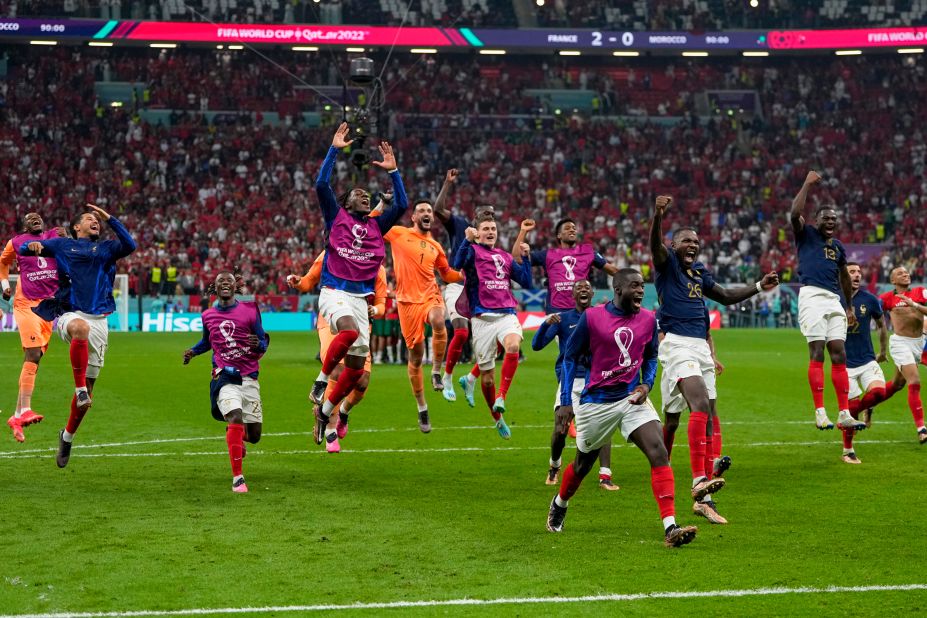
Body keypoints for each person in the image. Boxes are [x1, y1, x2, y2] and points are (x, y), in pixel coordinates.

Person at [545, 268, 697, 548]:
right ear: (618, 289)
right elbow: (569, 357)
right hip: (597, 402)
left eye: (643, 285)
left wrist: (646, 385)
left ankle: (670, 527)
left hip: (631, 398)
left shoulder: (649, 319)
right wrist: (566, 400)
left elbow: (651, 356)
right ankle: (560, 502)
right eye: (635, 286)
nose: (641, 290)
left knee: (658, 451)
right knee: (582, 465)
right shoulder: (593, 318)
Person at [650, 194, 779, 511]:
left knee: (676, 418)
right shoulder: (667, 265)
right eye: (685, 241)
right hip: (676, 343)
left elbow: (725, 295)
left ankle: (685, 473)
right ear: (673, 245)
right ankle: (698, 483)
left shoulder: (700, 272)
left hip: (700, 346)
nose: (692, 245)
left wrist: (759, 286)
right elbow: (655, 246)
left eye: (695, 241)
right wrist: (658, 217)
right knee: (700, 404)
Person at [309, 123, 408, 442]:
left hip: (359, 299)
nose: (365, 196)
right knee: (348, 331)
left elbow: (402, 206)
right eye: (359, 194)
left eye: (367, 195)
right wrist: (334, 149)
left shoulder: (377, 227)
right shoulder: (336, 216)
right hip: (333, 292)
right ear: (347, 203)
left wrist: (394, 171)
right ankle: (321, 381)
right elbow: (321, 183)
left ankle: (325, 412)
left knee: (356, 372)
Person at [18, 203, 137, 467]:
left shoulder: (106, 249)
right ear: (76, 227)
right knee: (79, 328)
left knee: (86, 401)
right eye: (89, 218)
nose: (95, 220)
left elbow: (130, 245)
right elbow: (23, 248)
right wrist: (32, 247)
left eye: (97, 219)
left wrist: (111, 219)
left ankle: (67, 436)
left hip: (100, 322)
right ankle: (80, 388)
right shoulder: (62, 245)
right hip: (69, 312)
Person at [288, 251, 387, 452]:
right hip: (332, 318)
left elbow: (381, 304)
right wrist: (299, 282)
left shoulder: (376, 263)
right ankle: (330, 429)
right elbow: (308, 282)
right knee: (337, 371)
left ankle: (342, 412)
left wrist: (374, 311)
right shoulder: (330, 252)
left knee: (362, 381)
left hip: (361, 321)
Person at [789, 171, 863, 432]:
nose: (830, 222)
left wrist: (849, 305)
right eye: (826, 218)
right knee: (818, 351)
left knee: (840, 353)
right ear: (816, 220)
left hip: (834, 300)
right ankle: (820, 411)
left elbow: (844, 275)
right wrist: (807, 184)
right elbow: (794, 213)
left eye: (834, 219)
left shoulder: (838, 247)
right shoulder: (806, 234)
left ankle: (844, 412)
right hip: (812, 296)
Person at [183, 272, 269, 492]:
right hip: (224, 375)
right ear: (215, 287)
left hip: (249, 376)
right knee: (235, 416)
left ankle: (236, 436)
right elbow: (207, 342)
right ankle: (238, 478)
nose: (225, 284)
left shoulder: (250, 310)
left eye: (229, 281)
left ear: (234, 287)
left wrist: (257, 343)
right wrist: (193, 352)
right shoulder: (208, 315)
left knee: (254, 436)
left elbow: (263, 341)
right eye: (221, 281)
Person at [451, 211, 533, 439]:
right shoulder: (472, 251)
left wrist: (526, 258)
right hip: (481, 319)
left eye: (493, 229)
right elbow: (457, 263)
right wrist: (466, 240)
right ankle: (497, 418)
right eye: (486, 229)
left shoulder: (505, 256)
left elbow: (526, 281)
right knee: (487, 378)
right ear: (477, 233)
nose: (490, 232)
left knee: (514, 346)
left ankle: (502, 397)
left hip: (506, 314)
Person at [531, 279, 619, 490]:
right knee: (560, 429)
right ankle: (555, 464)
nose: (583, 290)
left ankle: (605, 475)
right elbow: (536, 345)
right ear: (572, 295)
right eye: (579, 287)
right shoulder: (564, 319)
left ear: (592, 293)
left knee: (602, 426)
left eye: (587, 287)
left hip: (595, 380)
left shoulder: (601, 316)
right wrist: (546, 324)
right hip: (569, 381)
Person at [385, 199, 462, 432]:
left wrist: (463, 276)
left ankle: (436, 372)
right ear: (414, 217)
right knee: (416, 357)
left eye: (429, 210)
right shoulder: (398, 233)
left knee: (439, 321)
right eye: (422, 211)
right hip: (407, 303)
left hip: (430, 296)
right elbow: (374, 225)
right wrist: (382, 206)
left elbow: (446, 273)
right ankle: (422, 407)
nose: (427, 213)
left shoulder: (436, 246)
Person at [658, 309, 730, 525]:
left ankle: (705, 497)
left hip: (701, 363)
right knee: (671, 422)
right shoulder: (666, 308)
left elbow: (707, 335)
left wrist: (713, 357)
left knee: (707, 413)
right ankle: (663, 463)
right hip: (677, 365)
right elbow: (661, 338)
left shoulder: (698, 305)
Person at [1, 213, 63, 442]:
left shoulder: (54, 235)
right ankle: (25, 409)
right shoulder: (16, 242)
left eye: (38, 216)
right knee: (33, 353)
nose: (35, 218)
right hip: (25, 303)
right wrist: (5, 284)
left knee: (34, 360)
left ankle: (16, 417)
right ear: (24, 225)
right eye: (30, 217)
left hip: (48, 308)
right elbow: (2, 262)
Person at [841, 263, 901, 462]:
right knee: (853, 403)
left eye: (859, 271)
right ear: (843, 275)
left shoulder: (871, 300)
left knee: (878, 392)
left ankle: (851, 416)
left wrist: (882, 351)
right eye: (852, 272)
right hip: (844, 363)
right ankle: (848, 451)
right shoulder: (835, 299)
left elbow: (882, 325)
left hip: (867, 359)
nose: (857, 275)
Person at [432, 169, 480, 404]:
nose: (488, 220)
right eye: (483, 215)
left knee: (499, 342)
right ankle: (448, 376)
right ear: (476, 218)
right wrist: (447, 183)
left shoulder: (490, 238)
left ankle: (470, 378)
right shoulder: (461, 225)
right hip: (456, 285)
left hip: (480, 291)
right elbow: (438, 210)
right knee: (461, 331)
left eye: (491, 217)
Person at [527, 217, 618, 313]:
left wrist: (632, 279)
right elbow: (519, 259)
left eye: (574, 228)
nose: (572, 230)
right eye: (567, 228)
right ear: (559, 235)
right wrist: (523, 231)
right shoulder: (547, 254)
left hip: (581, 311)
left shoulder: (588, 252)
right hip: (556, 313)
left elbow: (614, 271)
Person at [878, 266, 927, 444]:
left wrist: (914, 304)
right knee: (914, 381)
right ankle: (921, 428)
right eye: (900, 273)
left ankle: (869, 406)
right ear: (893, 281)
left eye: (906, 272)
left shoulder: (921, 292)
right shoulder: (887, 298)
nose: (905, 274)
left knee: (898, 384)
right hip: (900, 343)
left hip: (918, 343)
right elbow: (871, 311)